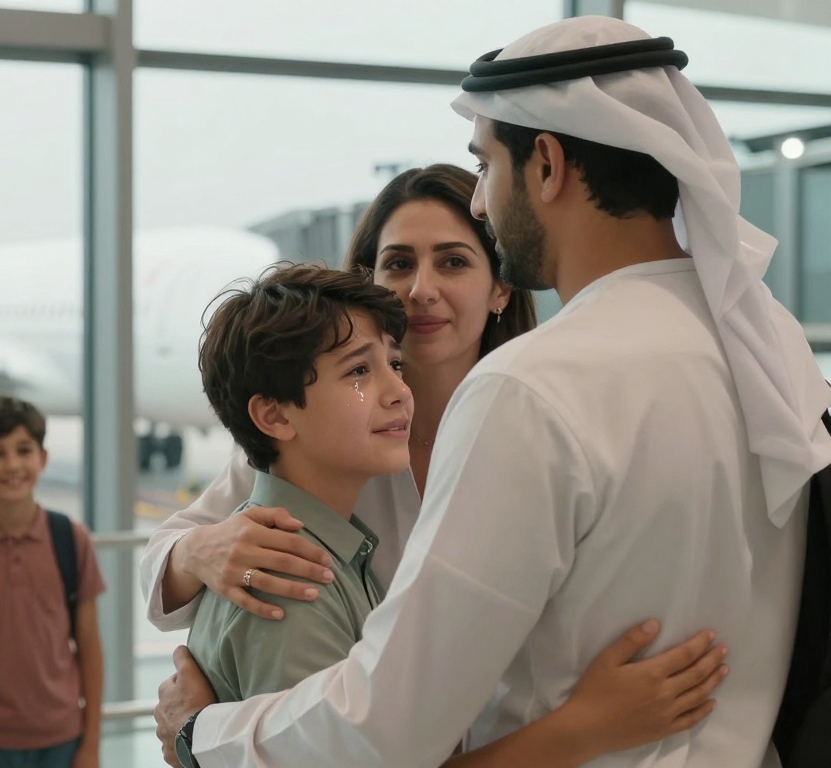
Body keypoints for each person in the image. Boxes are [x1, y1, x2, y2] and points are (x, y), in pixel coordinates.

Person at [155, 15, 831, 768]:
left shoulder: (533, 387)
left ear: (546, 163)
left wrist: (203, 735)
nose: (480, 200)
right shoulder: (766, 345)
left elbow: (386, 725)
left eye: (485, 166)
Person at [139, 164, 536, 629]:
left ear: (501, 289)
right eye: (399, 264)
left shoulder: (538, 432)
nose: (422, 290)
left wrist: (212, 708)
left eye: (453, 262)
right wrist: (198, 553)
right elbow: (159, 577)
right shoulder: (321, 436)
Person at [186, 263, 412, 702]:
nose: (399, 390)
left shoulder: (331, 547)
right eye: (359, 372)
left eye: (395, 363)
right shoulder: (292, 577)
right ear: (275, 415)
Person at [0, 395, 106, 768]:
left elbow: (89, 646)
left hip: (60, 738)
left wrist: (90, 744)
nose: (12, 464)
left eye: (23, 450)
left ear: (42, 458)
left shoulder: (71, 539)